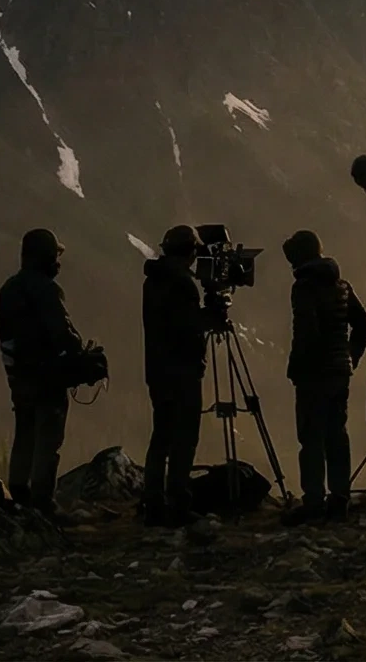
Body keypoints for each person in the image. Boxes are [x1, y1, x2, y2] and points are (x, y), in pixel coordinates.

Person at [0, 227, 85, 518]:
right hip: (47, 378)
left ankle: (19, 493)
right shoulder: (46, 289)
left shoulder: (9, 288)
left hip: (18, 378)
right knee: (48, 438)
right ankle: (42, 501)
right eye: (55, 255)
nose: (58, 262)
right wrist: (79, 349)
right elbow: (61, 332)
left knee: (25, 432)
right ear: (45, 256)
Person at [281, 229, 366, 521]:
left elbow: (306, 332)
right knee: (336, 435)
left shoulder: (304, 288)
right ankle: (339, 498)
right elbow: (362, 325)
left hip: (313, 374)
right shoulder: (341, 285)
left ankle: (314, 501)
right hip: (338, 373)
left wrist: (300, 365)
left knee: (311, 438)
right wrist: (349, 357)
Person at [140, 225, 207, 526]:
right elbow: (189, 328)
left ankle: (153, 501)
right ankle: (178, 502)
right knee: (184, 438)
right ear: (190, 253)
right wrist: (209, 318)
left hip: (157, 369)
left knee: (161, 435)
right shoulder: (182, 284)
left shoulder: (153, 280)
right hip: (183, 371)